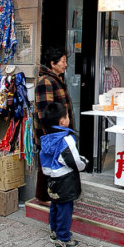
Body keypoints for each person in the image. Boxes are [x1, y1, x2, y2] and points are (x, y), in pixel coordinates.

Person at [39, 102, 88, 247]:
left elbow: (45, 160)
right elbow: (74, 160)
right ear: (62, 121)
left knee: (55, 204)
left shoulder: (47, 137)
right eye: (67, 116)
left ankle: (54, 231)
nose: (68, 118)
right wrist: (84, 164)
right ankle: (63, 239)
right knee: (65, 209)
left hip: (51, 178)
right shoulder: (66, 139)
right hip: (65, 180)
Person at [34, 47, 74, 203]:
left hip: (59, 131)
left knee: (54, 164)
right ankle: (42, 197)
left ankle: (52, 193)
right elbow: (46, 112)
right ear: (53, 63)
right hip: (50, 133)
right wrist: (52, 136)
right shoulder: (46, 81)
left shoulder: (56, 79)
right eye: (63, 61)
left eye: (66, 61)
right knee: (46, 164)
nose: (66, 65)